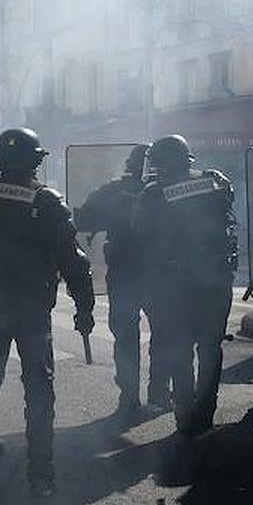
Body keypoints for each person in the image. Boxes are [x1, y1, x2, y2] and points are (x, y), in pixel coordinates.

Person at [0, 127, 94, 498]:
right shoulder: (46, 201)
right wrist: (84, 308)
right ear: (35, 161)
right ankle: (41, 475)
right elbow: (73, 262)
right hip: (31, 314)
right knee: (39, 393)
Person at [132, 135, 237, 438]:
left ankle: (185, 414)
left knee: (179, 348)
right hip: (216, 279)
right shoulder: (213, 181)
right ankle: (205, 412)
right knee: (210, 347)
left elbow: (141, 235)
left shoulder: (153, 194)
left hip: (174, 284)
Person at [75, 143, 156, 417]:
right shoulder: (166, 189)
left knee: (125, 336)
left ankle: (129, 396)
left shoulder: (112, 191)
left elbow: (83, 218)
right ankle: (159, 392)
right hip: (161, 274)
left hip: (124, 273)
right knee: (166, 334)